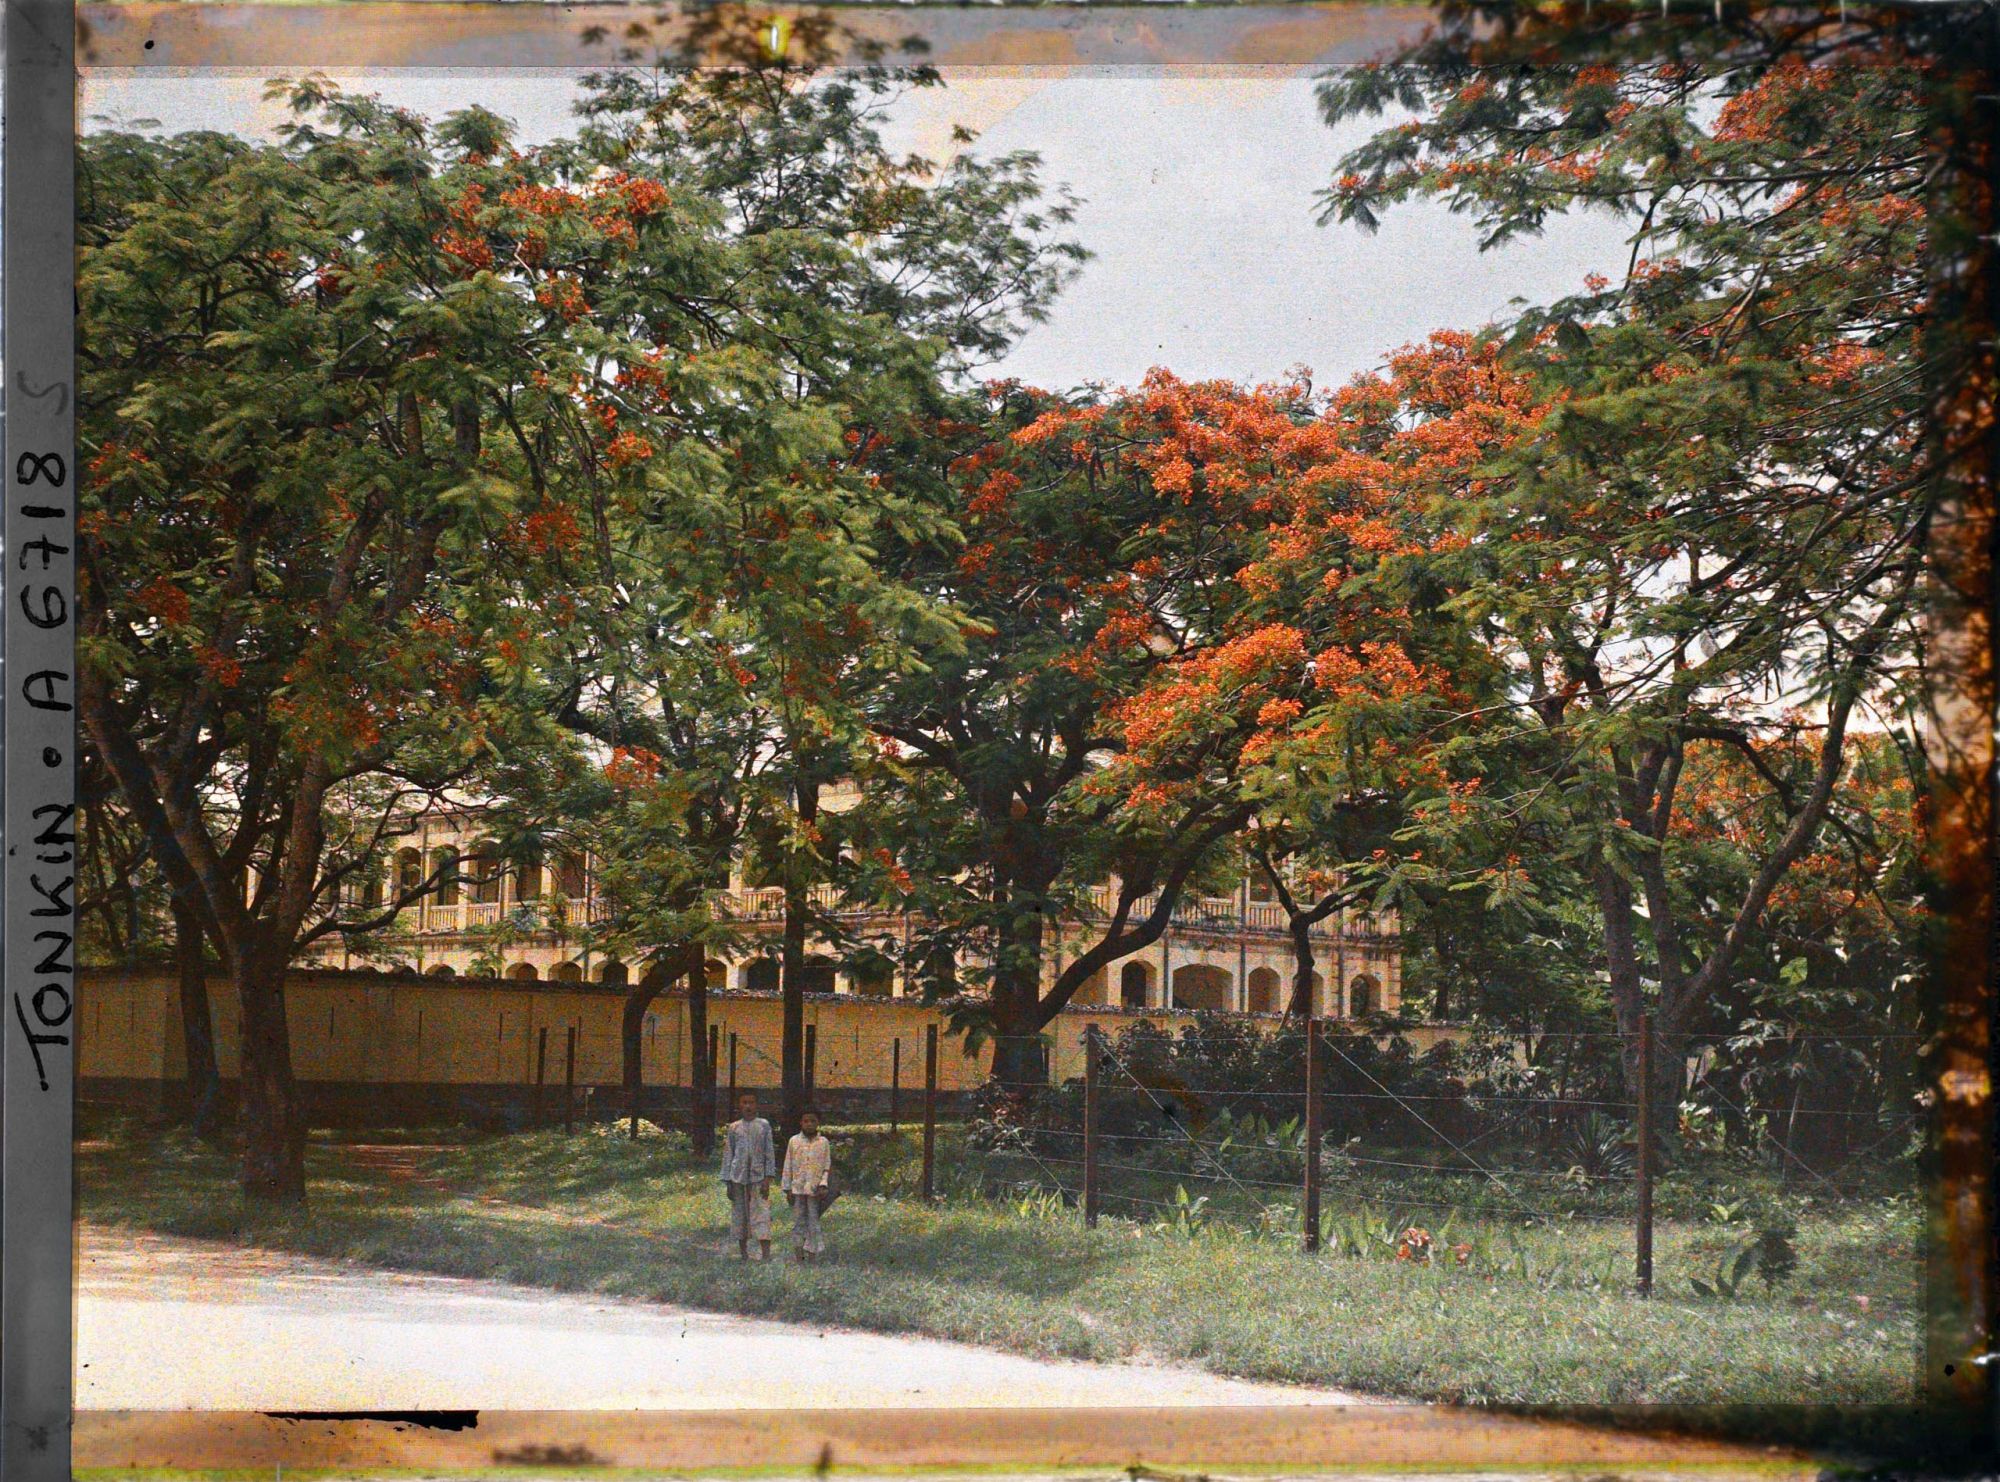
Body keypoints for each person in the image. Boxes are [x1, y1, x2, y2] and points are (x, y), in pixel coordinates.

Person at [721, 1090, 775, 1261]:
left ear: (757, 1105)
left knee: (761, 1213)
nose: (748, 1106)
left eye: (751, 1103)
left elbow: (769, 1153)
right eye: (744, 1103)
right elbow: (729, 1154)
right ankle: (744, 1253)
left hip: (758, 1178)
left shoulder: (764, 1125)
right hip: (738, 1177)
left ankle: (765, 1254)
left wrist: (767, 1178)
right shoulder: (734, 1127)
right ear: (739, 1105)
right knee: (740, 1214)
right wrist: (728, 1181)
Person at [781, 1108, 833, 1262]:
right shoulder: (794, 1141)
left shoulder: (823, 1143)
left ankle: (812, 1256)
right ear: (800, 1122)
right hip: (797, 1188)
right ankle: (799, 1256)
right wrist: (787, 1188)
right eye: (806, 1121)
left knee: (813, 1222)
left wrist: (823, 1184)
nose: (809, 1124)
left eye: (813, 1121)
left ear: (818, 1123)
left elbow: (826, 1166)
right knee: (798, 1221)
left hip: (814, 1190)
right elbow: (788, 1165)